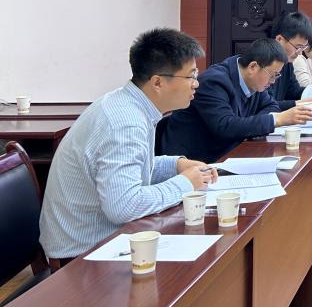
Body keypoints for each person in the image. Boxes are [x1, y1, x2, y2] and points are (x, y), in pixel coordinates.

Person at [39, 29, 216, 261]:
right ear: (158, 82)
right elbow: (124, 206)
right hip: (83, 257)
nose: (196, 84)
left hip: (108, 240)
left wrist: (177, 166)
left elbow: (134, 169)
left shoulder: (129, 104)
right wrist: (185, 183)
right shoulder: (124, 123)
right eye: (190, 76)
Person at [158, 38, 312, 162]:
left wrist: (249, 123)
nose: (273, 81)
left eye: (277, 76)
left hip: (227, 154)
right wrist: (277, 120)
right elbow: (225, 126)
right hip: (195, 160)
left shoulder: (255, 81)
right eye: (272, 75)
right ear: (253, 67)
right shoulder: (214, 82)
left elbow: (271, 105)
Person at [266, 11, 312, 110]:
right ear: (279, 39)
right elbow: (267, 106)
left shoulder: (287, 63)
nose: (300, 53)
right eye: (298, 47)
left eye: (303, 48)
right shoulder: (264, 64)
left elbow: (295, 92)